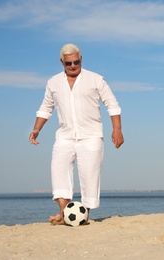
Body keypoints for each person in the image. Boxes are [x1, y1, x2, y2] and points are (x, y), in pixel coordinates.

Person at [29, 43, 124, 225]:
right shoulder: (53, 82)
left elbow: (112, 104)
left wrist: (117, 129)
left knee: (89, 176)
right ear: (62, 62)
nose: (73, 66)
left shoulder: (96, 80)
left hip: (91, 136)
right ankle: (65, 214)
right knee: (58, 171)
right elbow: (45, 108)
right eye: (68, 63)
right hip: (64, 136)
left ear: (81, 59)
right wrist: (36, 129)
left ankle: (83, 215)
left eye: (76, 62)